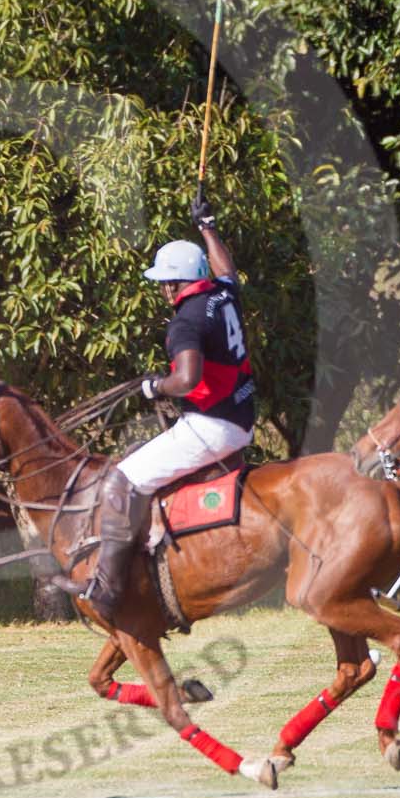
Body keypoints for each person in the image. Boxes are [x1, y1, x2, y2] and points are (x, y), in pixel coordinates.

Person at [57, 193, 256, 618]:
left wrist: (155, 387)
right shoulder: (223, 294)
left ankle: (106, 587)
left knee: (121, 480)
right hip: (242, 414)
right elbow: (228, 270)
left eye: (166, 282)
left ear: (176, 283)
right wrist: (208, 226)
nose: (163, 290)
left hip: (213, 424)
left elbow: (186, 379)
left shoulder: (186, 320)